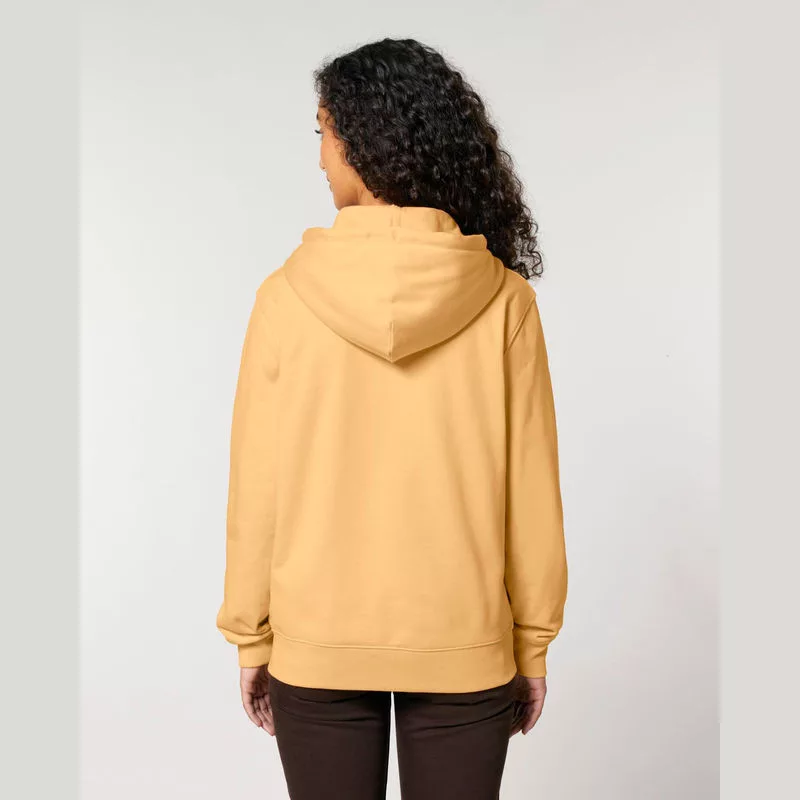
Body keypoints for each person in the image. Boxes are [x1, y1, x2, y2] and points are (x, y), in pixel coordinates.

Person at [216, 37, 568, 800]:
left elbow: (257, 490)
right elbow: (532, 494)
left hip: (318, 644)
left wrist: (251, 634)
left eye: (323, 133)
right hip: (465, 643)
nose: (319, 158)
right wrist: (532, 644)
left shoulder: (284, 298)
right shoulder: (504, 301)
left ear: (363, 140)